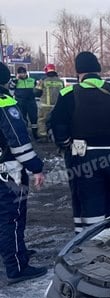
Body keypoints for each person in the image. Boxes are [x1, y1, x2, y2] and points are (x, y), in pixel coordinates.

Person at [49, 51, 110, 234]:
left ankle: (92, 241)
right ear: (98, 70)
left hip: (85, 159)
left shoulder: (68, 93)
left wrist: (68, 144)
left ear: (79, 72)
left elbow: (58, 127)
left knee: (91, 202)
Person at [0, 62, 47, 284]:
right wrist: (36, 167)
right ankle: (17, 266)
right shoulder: (5, 103)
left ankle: (14, 252)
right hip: (9, 173)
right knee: (13, 218)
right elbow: (18, 143)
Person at [35, 64, 65, 141]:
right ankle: (56, 136)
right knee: (56, 121)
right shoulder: (60, 81)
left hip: (45, 106)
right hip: (57, 106)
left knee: (42, 120)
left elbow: (36, 93)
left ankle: (43, 137)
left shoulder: (43, 80)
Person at [12, 66, 38, 137]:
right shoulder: (15, 81)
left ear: (26, 73)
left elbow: (37, 90)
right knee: (22, 118)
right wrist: (16, 80)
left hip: (31, 101)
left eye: (23, 73)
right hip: (20, 102)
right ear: (18, 74)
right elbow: (11, 88)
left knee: (34, 117)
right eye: (20, 73)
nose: (22, 74)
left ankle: (35, 133)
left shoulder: (32, 80)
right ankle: (24, 133)